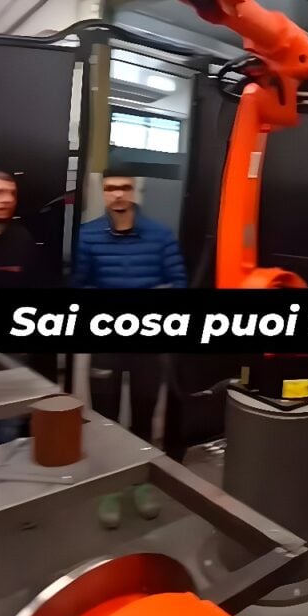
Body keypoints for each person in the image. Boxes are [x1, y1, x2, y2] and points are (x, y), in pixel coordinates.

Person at [72, 165, 188, 528]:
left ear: (135, 190)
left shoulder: (160, 235)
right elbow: (77, 286)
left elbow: (180, 286)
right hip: (106, 340)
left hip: (147, 343)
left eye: (123, 187)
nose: (117, 195)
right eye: (110, 189)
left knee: (142, 412)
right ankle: (109, 486)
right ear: (103, 193)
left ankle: (140, 482)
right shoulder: (88, 236)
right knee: (104, 418)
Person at [0, 171, 43, 445]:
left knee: (8, 430)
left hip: (13, 353)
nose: (6, 199)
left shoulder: (22, 240)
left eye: (11, 193)